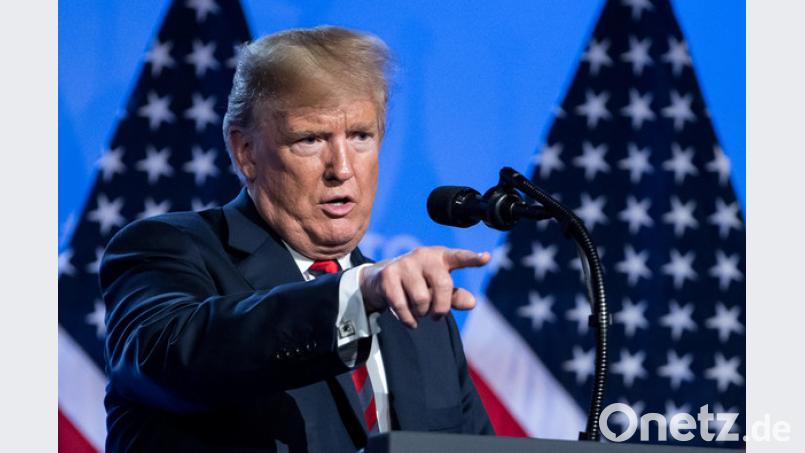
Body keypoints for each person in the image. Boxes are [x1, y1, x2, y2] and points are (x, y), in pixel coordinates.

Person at [100, 26, 494, 452]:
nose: (342, 168)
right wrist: (356, 295)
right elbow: (173, 360)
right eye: (310, 139)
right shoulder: (166, 249)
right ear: (245, 151)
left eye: (361, 136)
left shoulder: (420, 318)